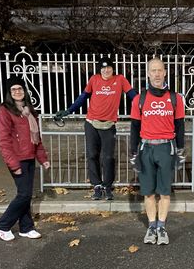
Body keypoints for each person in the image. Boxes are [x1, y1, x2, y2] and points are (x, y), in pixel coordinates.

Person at [54, 57, 137, 200]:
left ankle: (107, 186)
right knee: (92, 155)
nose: (106, 70)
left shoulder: (120, 79)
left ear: (113, 68)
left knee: (108, 157)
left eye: (109, 67)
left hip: (109, 124)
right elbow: (83, 97)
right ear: (100, 69)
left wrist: (145, 106)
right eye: (103, 68)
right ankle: (97, 186)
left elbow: (133, 96)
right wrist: (68, 110)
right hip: (91, 123)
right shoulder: (94, 79)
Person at [129, 58, 186, 245]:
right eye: (153, 70)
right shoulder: (140, 98)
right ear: (148, 74)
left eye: (160, 70)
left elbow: (180, 126)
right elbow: (134, 127)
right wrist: (133, 152)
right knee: (148, 193)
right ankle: (151, 227)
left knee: (165, 192)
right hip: (146, 148)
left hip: (166, 148)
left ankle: (161, 227)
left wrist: (180, 149)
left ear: (165, 73)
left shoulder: (175, 98)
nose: (156, 74)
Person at [0, 76, 50, 241]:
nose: (17, 92)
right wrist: (13, 164)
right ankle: (3, 224)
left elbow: (36, 138)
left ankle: (26, 227)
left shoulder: (29, 110)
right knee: (24, 194)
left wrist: (42, 158)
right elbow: (4, 141)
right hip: (16, 158)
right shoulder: (5, 110)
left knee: (26, 194)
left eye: (20, 89)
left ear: (24, 91)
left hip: (30, 157)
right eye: (13, 90)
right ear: (9, 93)